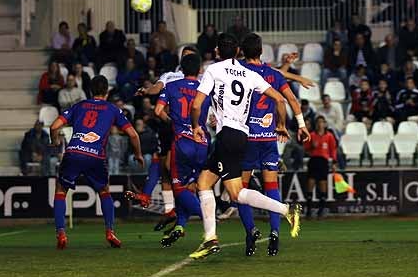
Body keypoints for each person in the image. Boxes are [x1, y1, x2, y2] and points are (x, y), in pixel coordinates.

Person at [186, 33, 302, 260]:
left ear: (217, 52)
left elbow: (196, 104)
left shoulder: (214, 70)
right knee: (204, 183)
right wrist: (280, 124)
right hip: (241, 136)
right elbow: (279, 99)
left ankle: (287, 210)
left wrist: (195, 126)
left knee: (236, 193)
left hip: (227, 135)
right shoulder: (248, 73)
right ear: (237, 51)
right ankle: (210, 239)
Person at [47, 75, 144, 249]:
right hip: (95, 156)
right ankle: (110, 232)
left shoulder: (78, 106)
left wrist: (54, 142)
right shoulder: (112, 109)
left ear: (90, 90)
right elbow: (133, 135)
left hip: (74, 152)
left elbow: (54, 126)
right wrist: (138, 155)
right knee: (104, 191)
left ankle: (61, 234)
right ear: (106, 92)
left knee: (61, 191)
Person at [237, 33, 310, 256]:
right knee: (271, 187)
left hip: (245, 137)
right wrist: (301, 125)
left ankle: (250, 232)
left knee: (241, 190)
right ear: (261, 52)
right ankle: (275, 232)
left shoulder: (238, 70)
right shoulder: (271, 74)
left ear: (242, 51)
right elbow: (292, 101)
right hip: (269, 137)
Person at [154, 53, 212, 249]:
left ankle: (208, 217)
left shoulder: (171, 86)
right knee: (191, 186)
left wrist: (174, 121)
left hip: (182, 143)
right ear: (199, 70)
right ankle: (180, 225)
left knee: (178, 187)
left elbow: (157, 111)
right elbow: (214, 116)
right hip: (202, 142)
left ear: (181, 69)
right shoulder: (206, 89)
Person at [303, 116, 339, 219]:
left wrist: (334, 162)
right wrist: (311, 147)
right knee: (310, 184)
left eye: (322, 122)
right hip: (314, 161)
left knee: (323, 185)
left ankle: (321, 211)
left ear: (325, 124)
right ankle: (309, 211)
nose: (320, 124)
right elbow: (306, 148)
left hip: (323, 162)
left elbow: (333, 150)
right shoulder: (312, 135)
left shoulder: (329, 136)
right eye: (318, 122)